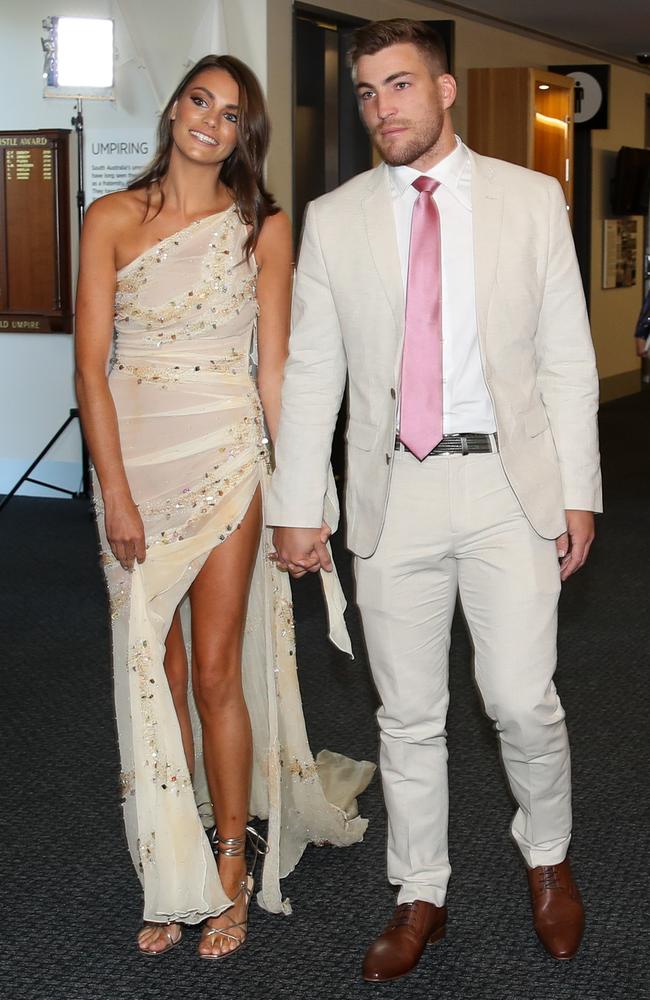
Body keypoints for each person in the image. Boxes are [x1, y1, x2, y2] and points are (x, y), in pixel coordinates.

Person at [268, 19, 601, 983]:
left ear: (445, 90)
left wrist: (578, 490)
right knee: (407, 715)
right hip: (392, 491)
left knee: (519, 702)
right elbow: (312, 372)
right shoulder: (335, 219)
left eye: (401, 86)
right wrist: (301, 502)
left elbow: (567, 359)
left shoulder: (532, 201)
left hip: (508, 483)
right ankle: (420, 889)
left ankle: (548, 859)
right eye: (367, 93)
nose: (383, 109)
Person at [75, 54, 373, 960]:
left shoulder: (262, 227)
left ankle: (233, 866)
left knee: (213, 673)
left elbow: (274, 368)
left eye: (232, 112)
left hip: (227, 457)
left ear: (247, 133)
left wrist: (302, 497)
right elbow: (89, 367)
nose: (211, 120)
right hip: (135, 465)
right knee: (153, 675)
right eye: (200, 100)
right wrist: (115, 492)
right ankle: (172, 867)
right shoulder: (111, 218)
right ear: (173, 109)